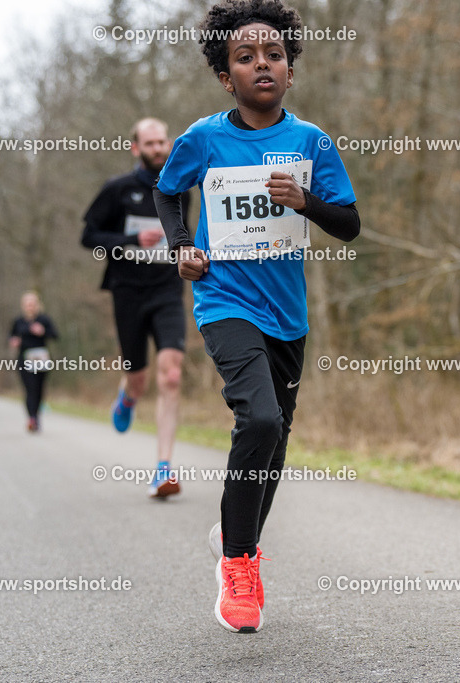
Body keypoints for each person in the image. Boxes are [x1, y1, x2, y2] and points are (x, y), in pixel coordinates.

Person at [154, 0, 360, 634]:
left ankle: (232, 531)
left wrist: (307, 201)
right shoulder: (203, 139)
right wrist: (183, 246)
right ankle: (240, 565)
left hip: (288, 318)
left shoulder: (311, 143)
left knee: (273, 442)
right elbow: (168, 191)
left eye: (274, 54)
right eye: (246, 57)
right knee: (260, 416)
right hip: (225, 302)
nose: (262, 64)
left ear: (290, 70)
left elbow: (349, 225)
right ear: (227, 76)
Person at [81, 118, 191, 498]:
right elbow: (88, 235)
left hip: (167, 290)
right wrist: (131, 239)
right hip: (127, 291)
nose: (159, 148)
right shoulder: (117, 190)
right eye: (151, 143)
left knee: (172, 374)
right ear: (136, 148)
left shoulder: (180, 188)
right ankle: (128, 397)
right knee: (139, 378)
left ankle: (163, 469)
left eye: (163, 141)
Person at [8, 291, 59, 432]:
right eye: (27, 304)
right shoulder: (18, 321)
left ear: (37, 305)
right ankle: (32, 418)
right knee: (29, 389)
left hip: (41, 357)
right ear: (23, 306)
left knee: (39, 389)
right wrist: (14, 341)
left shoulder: (44, 319)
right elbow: (11, 336)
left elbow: (55, 335)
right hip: (24, 358)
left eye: (32, 304)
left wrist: (43, 331)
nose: (30, 307)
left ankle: (36, 416)